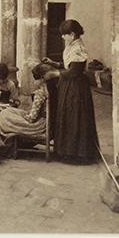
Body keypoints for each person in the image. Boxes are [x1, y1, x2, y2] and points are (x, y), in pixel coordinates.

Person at [43, 19, 99, 163]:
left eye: (64, 35)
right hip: (69, 86)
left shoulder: (78, 48)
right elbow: (68, 65)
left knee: (75, 118)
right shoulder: (72, 46)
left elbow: (74, 71)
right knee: (68, 116)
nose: (62, 37)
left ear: (72, 34)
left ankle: (76, 154)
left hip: (76, 89)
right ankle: (66, 151)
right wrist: (53, 63)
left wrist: (54, 73)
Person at [0, 63, 53, 139]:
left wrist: (22, 116)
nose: (34, 81)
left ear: (42, 79)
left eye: (35, 79)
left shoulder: (40, 94)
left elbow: (32, 118)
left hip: (38, 126)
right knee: (8, 112)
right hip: (45, 123)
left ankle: (0, 138)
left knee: (4, 116)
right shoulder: (51, 91)